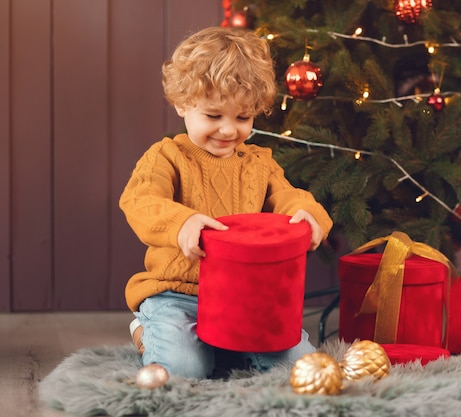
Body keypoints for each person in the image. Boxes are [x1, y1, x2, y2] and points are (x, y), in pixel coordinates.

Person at [119, 26, 333, 379]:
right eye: (214, 116)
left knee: (299, 364)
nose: (229, 130)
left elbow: (287, 196)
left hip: (244, 297)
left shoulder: (258, 162)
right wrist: (182, 223)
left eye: (243, 118)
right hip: (178, 294)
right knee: (186, 368)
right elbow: (140, 200)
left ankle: (225, 346)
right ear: (182, 103)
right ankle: (148, 330)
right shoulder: (167, 157)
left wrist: (307, 215)